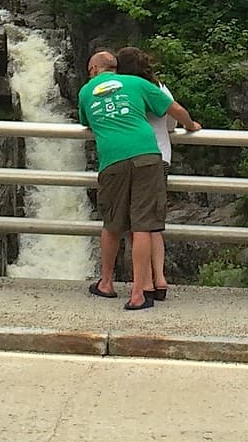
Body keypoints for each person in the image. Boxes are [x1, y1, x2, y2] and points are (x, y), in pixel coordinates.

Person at [80, 49, 197, 310]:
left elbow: (86, 122)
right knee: (143, 224)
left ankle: (106, 284)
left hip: (112, 158)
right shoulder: (138, 83)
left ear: (93, 70)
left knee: (112, 223)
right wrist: (191, 126)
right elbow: (176, 110)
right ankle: (137, 294)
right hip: (147, 155)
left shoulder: (86, 92)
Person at [115, 46, 201, 301]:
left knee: (135, 224)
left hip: (127, 156)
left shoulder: (121, 89)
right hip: (159, 156)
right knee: (151, 224)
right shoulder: (157, 87)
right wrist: (191, 125)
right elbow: (173, 118)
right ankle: (159, 279)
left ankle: (147, 281)